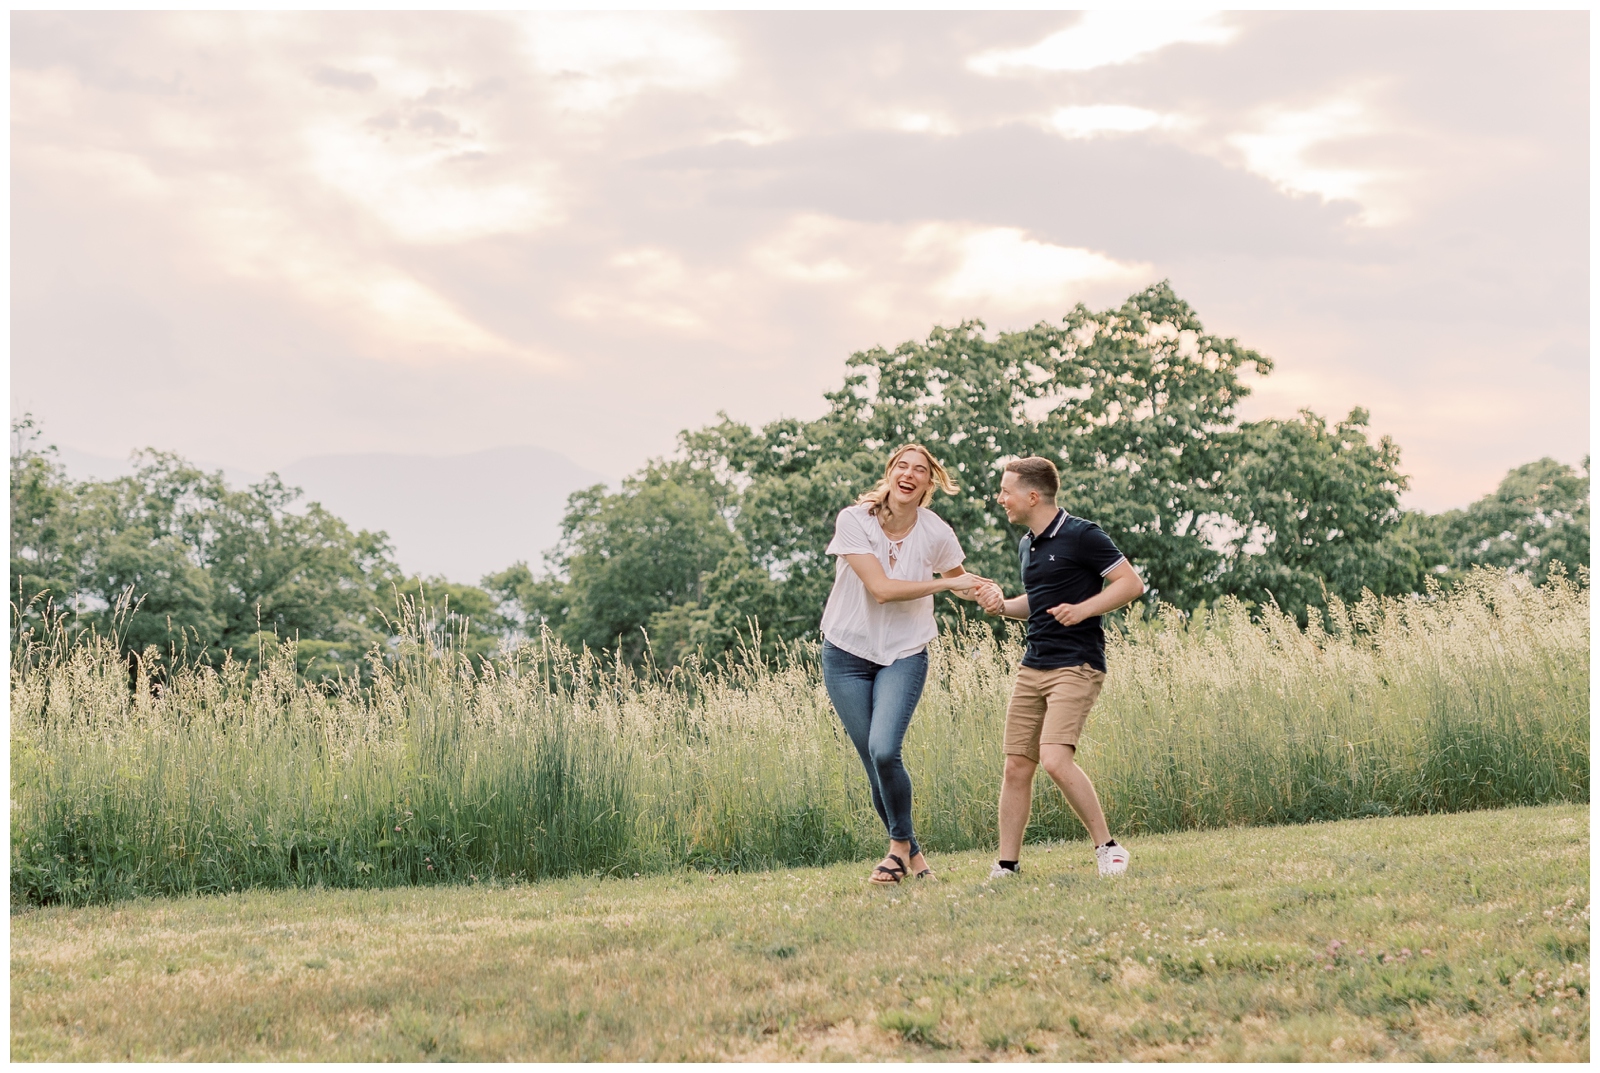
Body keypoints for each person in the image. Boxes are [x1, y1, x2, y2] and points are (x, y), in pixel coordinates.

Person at [972, 456, 1145, 878]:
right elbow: (1036, 602)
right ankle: (1007, 865)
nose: (1000, 499)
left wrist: (1084, 609)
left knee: (1053, 757)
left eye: (1006, 491)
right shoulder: (1027, 545)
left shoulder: (1083, 535)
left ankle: (1109, 848)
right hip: (1034, 664)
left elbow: (1130, 583)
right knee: (1017, 764)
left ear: (1032, 495)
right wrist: (1001, 607)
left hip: (1077, 663)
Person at [820, 443, 983, 884]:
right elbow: (882, 589)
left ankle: (895, 851)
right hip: (846, 654)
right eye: (902, 467)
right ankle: (916, 860)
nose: (909, 475)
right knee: (876, 761)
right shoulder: (854, 520)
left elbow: (959, 580)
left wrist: (985, 591)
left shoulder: (936, 532)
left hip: (905, 653)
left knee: (885, 749)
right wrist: (950, 586)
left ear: (930, 484)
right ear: (890, 473)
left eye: (920, 470)